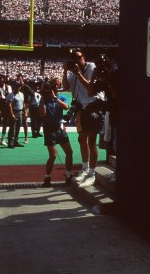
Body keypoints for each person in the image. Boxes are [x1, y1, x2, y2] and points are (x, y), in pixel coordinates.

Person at [62, 49, 105, 187]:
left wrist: (78, 73)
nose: (77, 61)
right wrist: (65, 71)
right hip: (81, 109)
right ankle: (85, 169)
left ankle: (92, 173)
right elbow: (66, 87)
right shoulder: (73, 73)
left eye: (78, 58)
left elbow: (90, 89)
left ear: (84, 57)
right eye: (73, 59)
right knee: (82, 140)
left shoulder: (91, 67)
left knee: (92, 141)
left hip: (93, 106)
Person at [39, 77, 73, 187]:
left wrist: (55, 98)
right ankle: (47, 177)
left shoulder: (61, 96)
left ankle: (68, 175)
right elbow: (42, 114)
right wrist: (43, 99)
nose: (56, 86)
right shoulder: (44, 98)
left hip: (59, 128)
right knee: (53, 155)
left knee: (69, 152)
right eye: (54, 84)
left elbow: (66, 107)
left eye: (58, 84)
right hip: (49, 129)